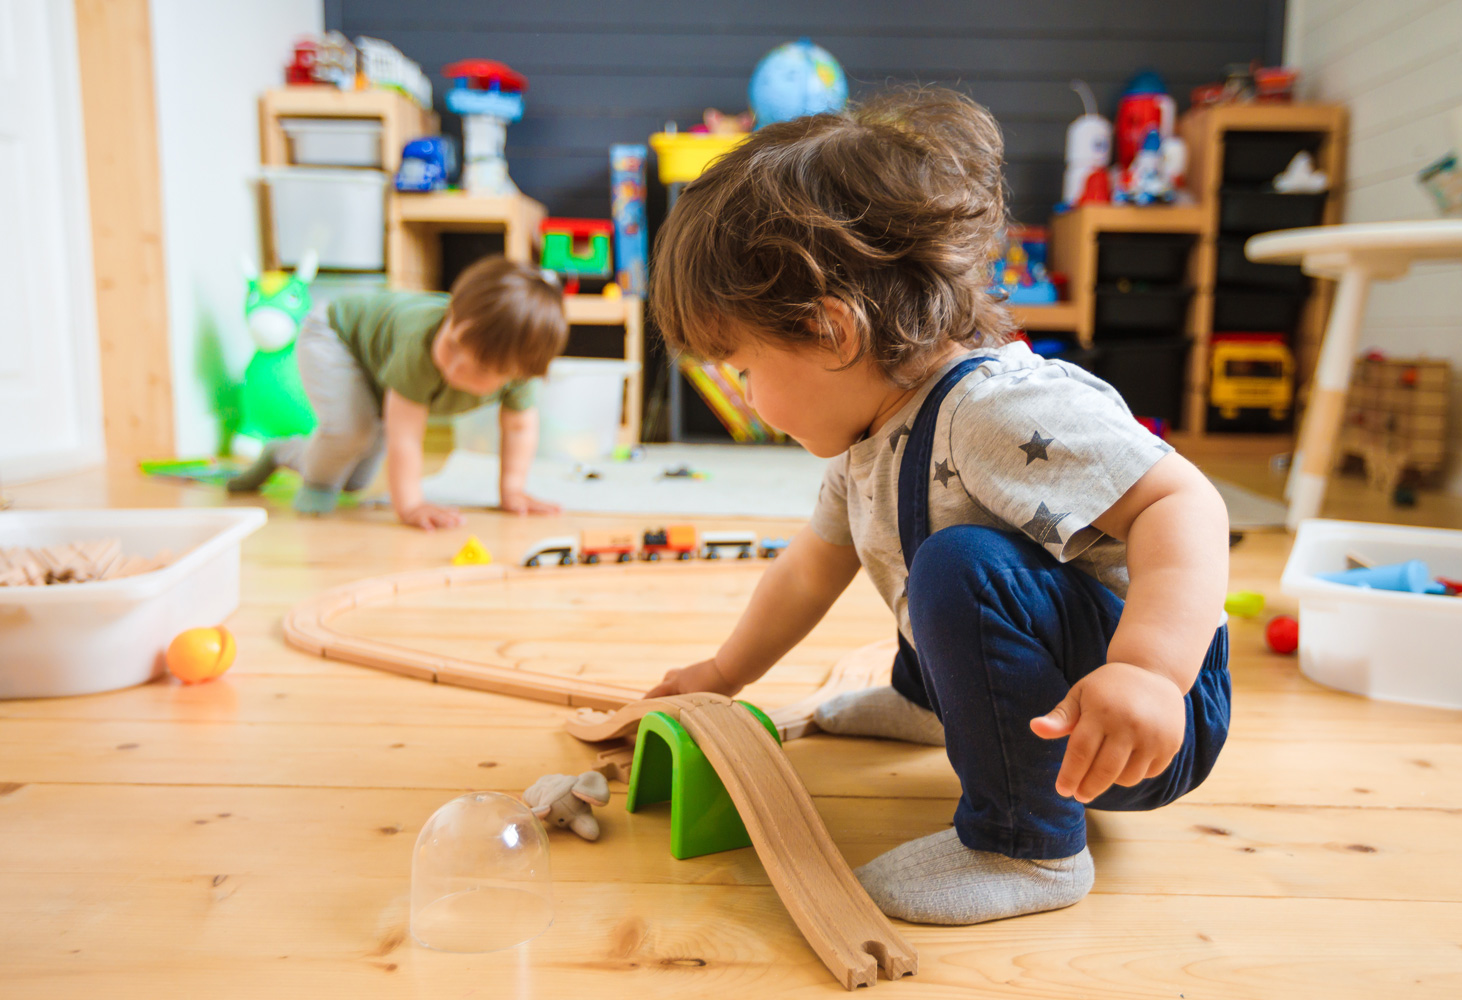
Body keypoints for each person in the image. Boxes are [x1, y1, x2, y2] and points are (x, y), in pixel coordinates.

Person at [644, 89, 1232, 925]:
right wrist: (722, 676)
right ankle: (933, 704)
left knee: (958, 563)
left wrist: (1149, 671)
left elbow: (1185, 501)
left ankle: (1027, 847)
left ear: (831, 331)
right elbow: (810, 571)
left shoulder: (996, 410)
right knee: (912, 538)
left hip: (1139, 719)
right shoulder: (868, 433)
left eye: (741, 365)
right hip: (1070, 697)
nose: (742, 395)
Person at [229, 256, 567, 529]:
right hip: (334, 335)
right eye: (452, 343)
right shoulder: (420, 343)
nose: (451, 368)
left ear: (516, 374)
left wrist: (512, 491)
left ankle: (281, 453)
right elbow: (405, 436)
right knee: (352, 435)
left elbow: (519, 427)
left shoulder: (517, 369)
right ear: (452, 312)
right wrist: (410, 504)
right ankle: (316, 485)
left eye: (477, 368)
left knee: (354, 481)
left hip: (378, 367)